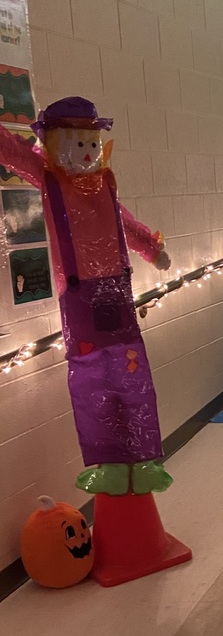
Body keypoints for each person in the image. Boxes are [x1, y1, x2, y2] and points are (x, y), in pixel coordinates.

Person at [0, 96, 173, 496]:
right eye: (78, 144)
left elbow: (123, 222)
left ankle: (144, 459)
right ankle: (109, 463)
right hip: (78, 298)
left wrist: (151, 247)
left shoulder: (105, 183)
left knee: (133, 376)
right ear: (57, 143)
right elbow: (12, 152)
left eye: (92, 143)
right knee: (92, 379)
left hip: (117, 290)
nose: (88, 152)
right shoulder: (49, 178)